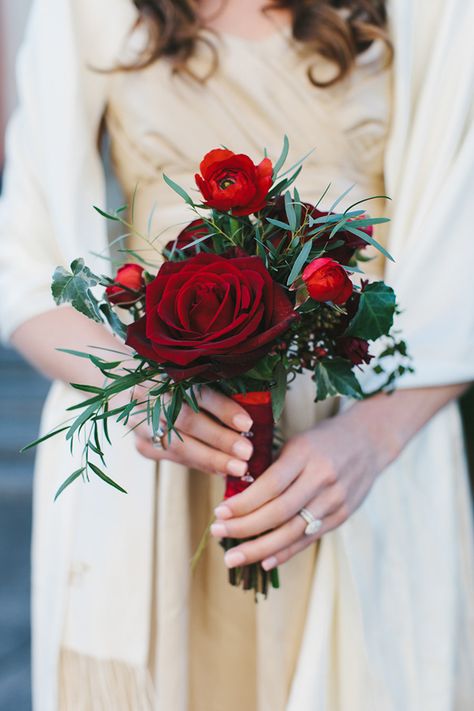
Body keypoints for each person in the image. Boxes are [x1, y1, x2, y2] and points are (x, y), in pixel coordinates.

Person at [1, 0, 473, 709]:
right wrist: (140, 392)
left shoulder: (433, 13)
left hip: (358, 460)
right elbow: (26, 272)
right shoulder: (85, 11)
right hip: (158, 460)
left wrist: (371, 440)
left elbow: (460, 271)